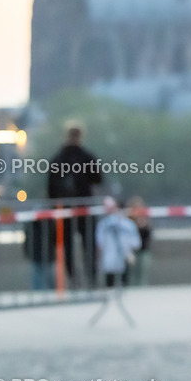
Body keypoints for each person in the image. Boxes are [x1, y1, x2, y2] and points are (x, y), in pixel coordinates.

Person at [47, 123, 103, 287]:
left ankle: (73, 280)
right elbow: (98, 178)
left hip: (65, 209)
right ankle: (91, 279)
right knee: (88, 244)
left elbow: (51, 187)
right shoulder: (86, 156)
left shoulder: (58, 158)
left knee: (68, 246)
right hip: (84, 207)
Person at [95, 196, 141, 288]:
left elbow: (99, 244)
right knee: (117, 285)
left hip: (121, 260)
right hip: (113, 260)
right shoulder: (104, 224)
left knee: (118, 285)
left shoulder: (105, 224)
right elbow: (136, 244)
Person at [126, 196, 153, 286]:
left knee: (142, 273)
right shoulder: (129, 220)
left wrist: (142, 224)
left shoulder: (145, 219)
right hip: (132, 251)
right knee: (132, 274)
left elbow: (148, 234)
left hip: (143, 250)